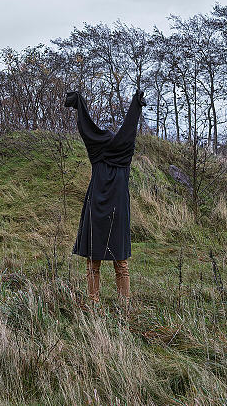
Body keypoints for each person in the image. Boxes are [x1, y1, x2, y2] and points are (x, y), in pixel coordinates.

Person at [65, 89, 146, 310]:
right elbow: (129, 129)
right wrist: (136, 105)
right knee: (121, 262)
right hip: (118, 210)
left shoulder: (96, 153)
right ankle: (124, 304)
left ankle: (94, 302)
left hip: (96, 207)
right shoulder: (124, 155)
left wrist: (79, 104)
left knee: (94, 261)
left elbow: (87, 129)